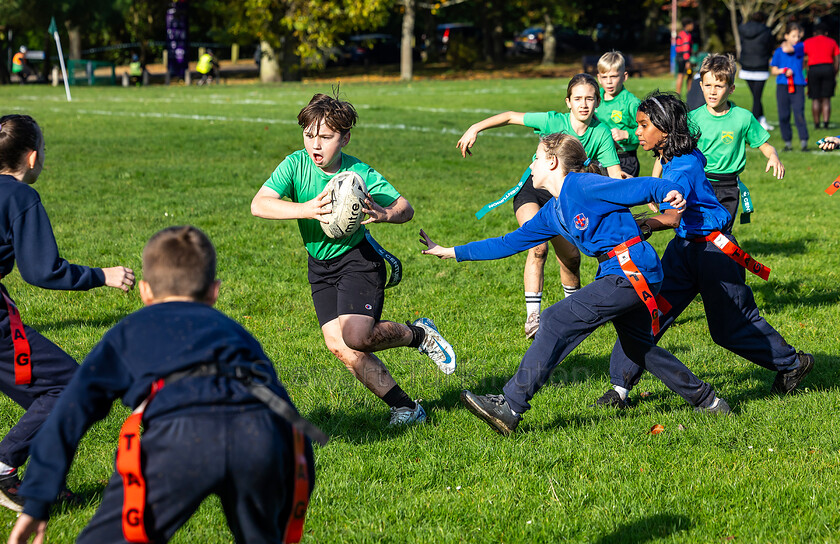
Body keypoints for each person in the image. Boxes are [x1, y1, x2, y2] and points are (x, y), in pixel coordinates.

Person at [8, 226, 319, 544]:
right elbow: (285, 411)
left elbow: (68, 415)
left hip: (181, 438)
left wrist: (37, 499)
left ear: (145, 291)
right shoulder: (237, 334)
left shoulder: (128, 333)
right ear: (214, 291)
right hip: (261, 436)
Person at [421, 132, 732, 436]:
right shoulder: (553, 212)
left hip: (633, 270)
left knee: (555, 318)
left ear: (554, 162)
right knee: (639, 348)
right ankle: (708, 400)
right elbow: (508, 242)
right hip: (620, 272)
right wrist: (453, 252)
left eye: (536, 157)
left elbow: (637, 187)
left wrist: (667, 190)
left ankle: (511, 406)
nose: (531, 165)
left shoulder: (582, 184)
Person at [593, 92, 814, 409]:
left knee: (730, 328)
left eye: (644, 125)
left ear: (665, 129)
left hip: (714, 255)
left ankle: (793, 363)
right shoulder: (682, 155)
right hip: (684, 251)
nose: (637, 131)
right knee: (648, 312)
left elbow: (671, 215)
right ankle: (620, 389)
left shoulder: (680, 171)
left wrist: (640, 225)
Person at [251, 93, 455, 426]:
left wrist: (386, 213)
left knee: (357, 337)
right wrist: (306, 210)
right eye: (309, 135)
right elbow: (259, 204)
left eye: (326, 137)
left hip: (357, 260)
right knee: (341, 347)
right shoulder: (295, 164)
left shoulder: (358, 173)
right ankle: (406, 408)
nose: (315, 146)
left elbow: (406, 208)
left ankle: (418, 335)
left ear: (344, 138)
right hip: (319, 266)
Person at [0, 114, 135, 512]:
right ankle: (5, 467)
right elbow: (42, 271)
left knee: (44, 396)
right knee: (67, 388)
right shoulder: (21, 197)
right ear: (32, 157)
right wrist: (103, 275)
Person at [457, 73, 623, 339]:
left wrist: (640, 192)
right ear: (567, 102)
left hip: (566, 200)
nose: (583, 104)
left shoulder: (600, 132)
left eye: (589, 98)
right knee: (537, 246)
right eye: (577, 98)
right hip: (533, 192)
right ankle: (533, 318)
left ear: (597, 101)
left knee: (570, 258)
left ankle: (577, 310)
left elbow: (615, 175)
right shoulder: (552, 121)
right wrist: (475, 127)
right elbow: (510, 116)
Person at [682, 54, 784, 230]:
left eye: (719, 86)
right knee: (698, 232)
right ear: (701, 86)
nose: (712, 91)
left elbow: (765, 145)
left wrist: (773, 157)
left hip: (729, 187)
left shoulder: (743, 117)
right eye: (708, 86)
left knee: (722, 234)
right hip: (699, 183)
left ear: (731, 89)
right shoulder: (692, 119)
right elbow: (673, 151)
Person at [595, 51, 642, 177]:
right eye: (604, 77)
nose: (609, 82)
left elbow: (648, 131)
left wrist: (627, 134)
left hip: (625, 159)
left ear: (624, 76)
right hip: (599, 157)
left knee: (621, 194)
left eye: (614, 76)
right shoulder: (594, 98)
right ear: (599, 78)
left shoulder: (631, 103)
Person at [771, 22, 809, 151]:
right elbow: (773, 70)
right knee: (783, 115)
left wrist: (786, 44)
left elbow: (787, 49)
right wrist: (783, 71)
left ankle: (804, 142)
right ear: (786, 35)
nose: (796, 39)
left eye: (798, 36)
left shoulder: (800, 47)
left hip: (798, 85)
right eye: (793, 36)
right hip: (782, 86)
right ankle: (787, 142)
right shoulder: (778, 52)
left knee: (799, 113)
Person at [738, 11, 776, 131]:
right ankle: (754, 124)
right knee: (756, 97)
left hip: (746, 66)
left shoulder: (742, 29)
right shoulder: (766, 31)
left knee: (756, 96)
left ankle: (762, 119)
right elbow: (770, 47)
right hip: (761, 66)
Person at [803, 23, 840, 130]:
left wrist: (806, 71)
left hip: (813, 69)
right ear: (826, 33)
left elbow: (804, 57)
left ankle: (817, 124)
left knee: (815, 98)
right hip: (828, 68)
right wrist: (835, 72)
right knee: (826, 99)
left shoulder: (808, 42)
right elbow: (837, 59)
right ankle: (826, 123)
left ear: (814, 33)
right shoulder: (832, 42)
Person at [675, 18, 695, 96]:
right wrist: (687, 61)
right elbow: (686, 48)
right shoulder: (686, 35)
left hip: (679, 57)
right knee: (689, 75)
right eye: (692, 24)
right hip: (684, 58)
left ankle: (678, 93)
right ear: (688, 25)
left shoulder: (681, 33)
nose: (693, 26)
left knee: (680, 74)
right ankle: (689, 93)